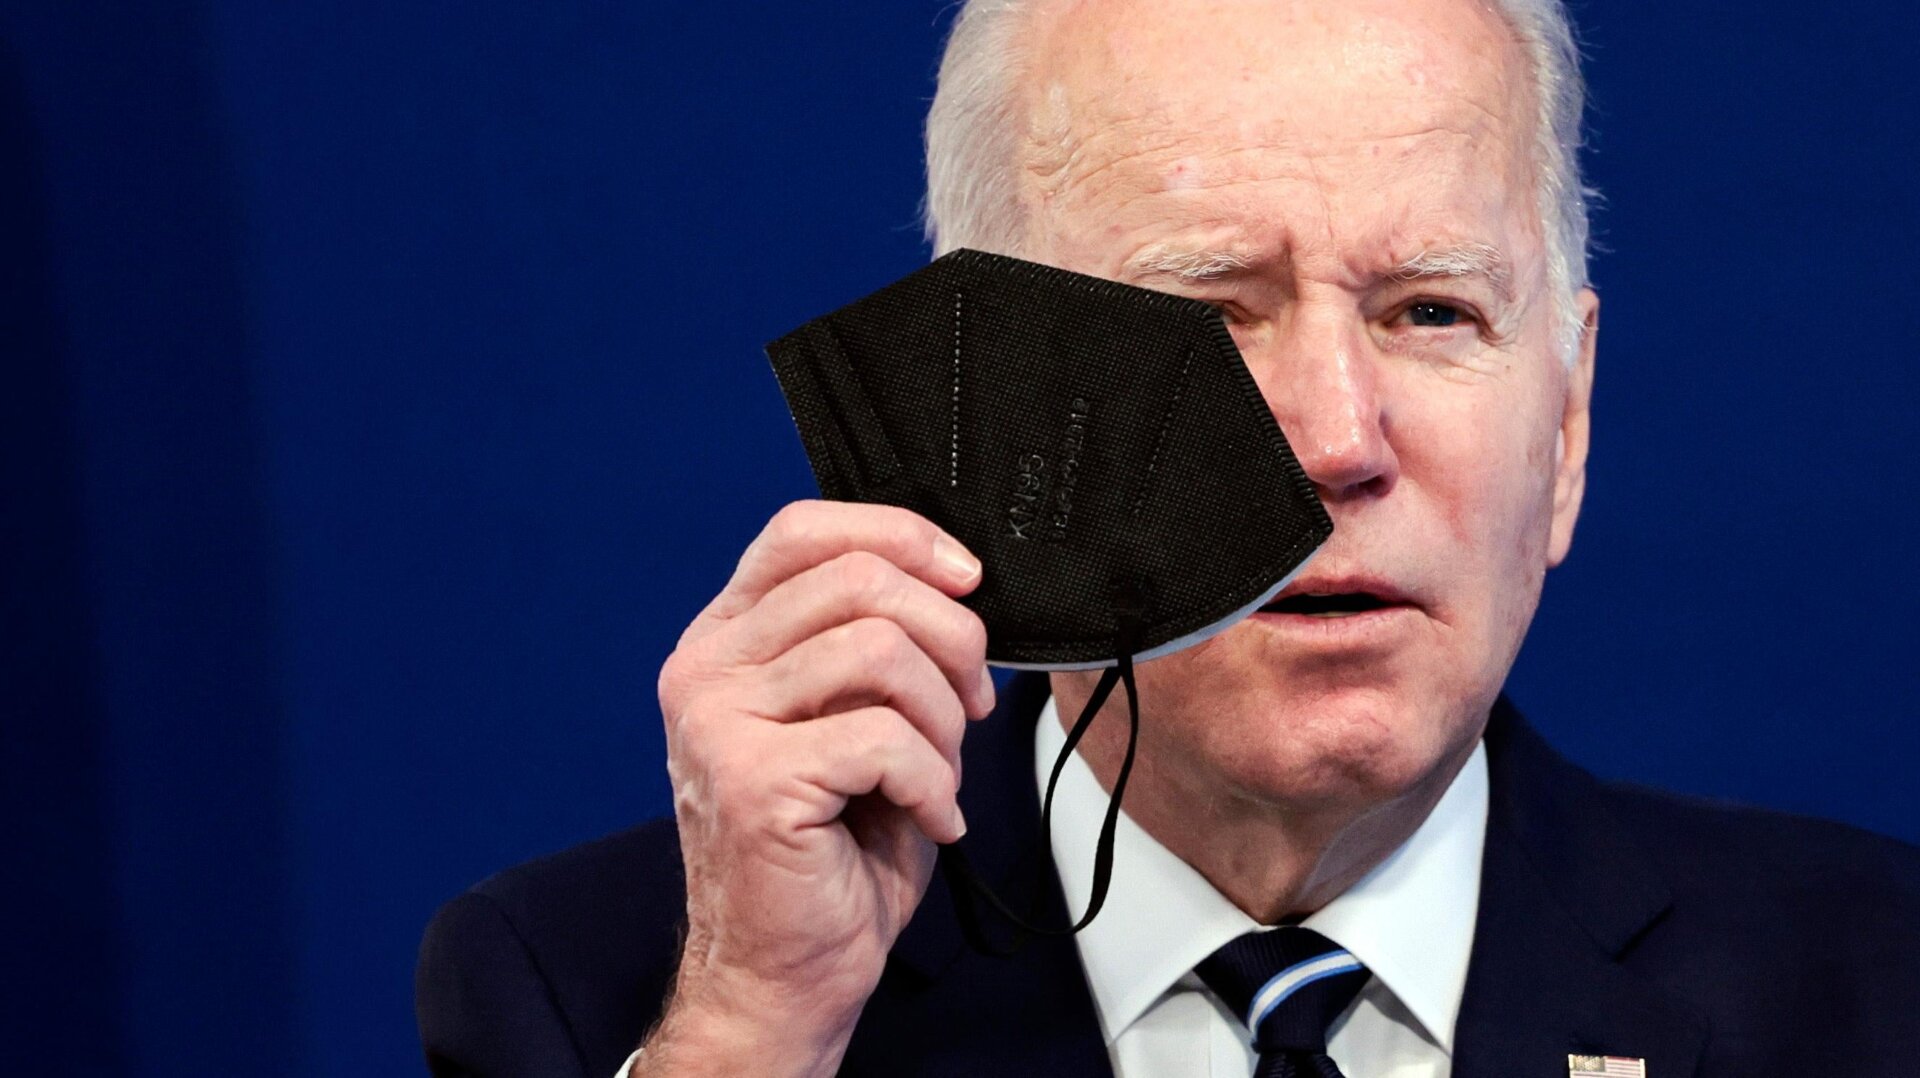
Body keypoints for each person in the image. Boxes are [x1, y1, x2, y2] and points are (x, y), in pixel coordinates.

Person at [415, 0, 1920, 1075]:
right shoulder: (597, 994)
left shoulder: (1874, 987)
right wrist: (757, 1037)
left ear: (1569, 423)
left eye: (1434, 312)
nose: (1338, 437)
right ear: (980, 414)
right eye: (1210, 317)